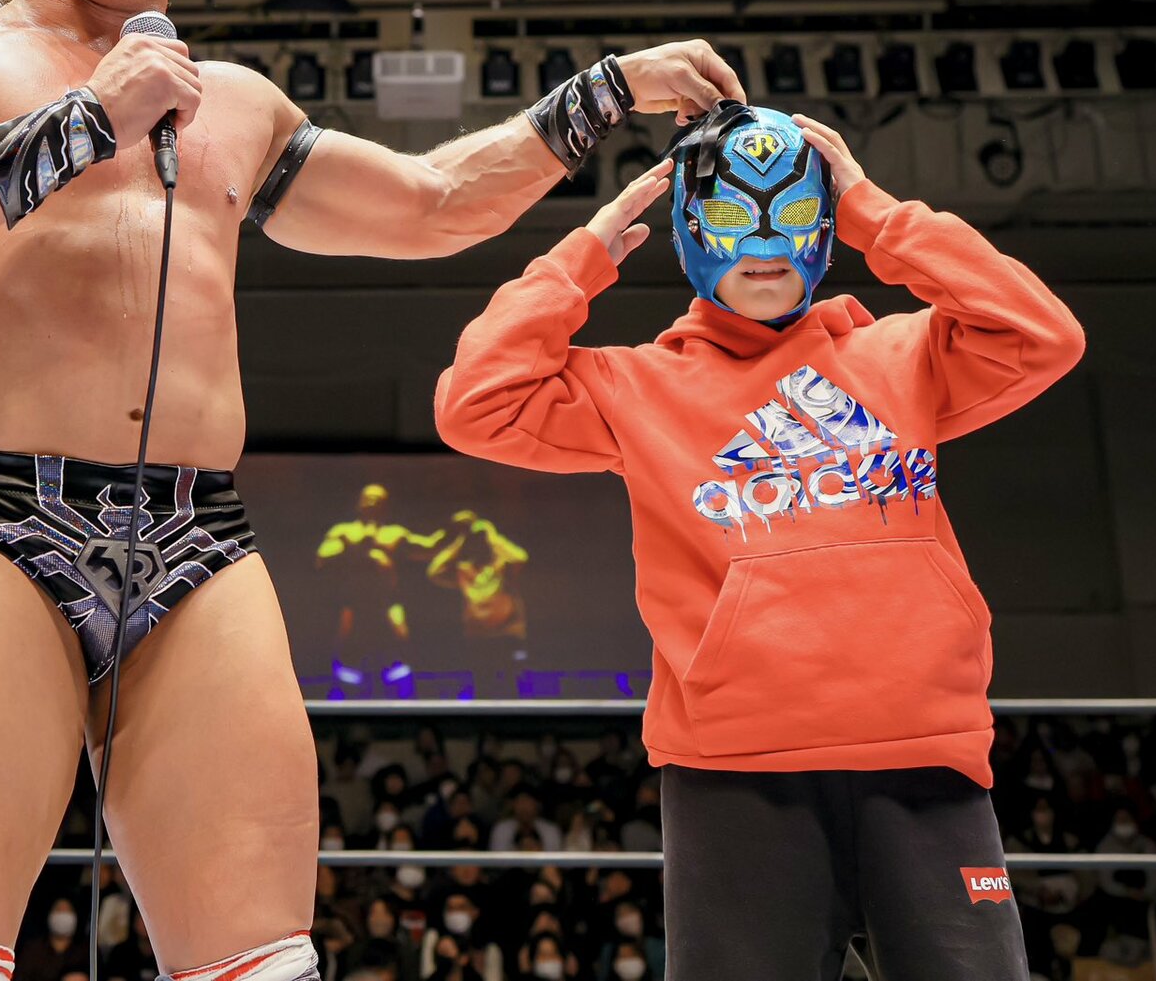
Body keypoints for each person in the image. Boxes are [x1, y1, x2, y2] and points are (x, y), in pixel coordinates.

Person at [0, 0, 744, 981]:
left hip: (200, 544)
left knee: (267, 968)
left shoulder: (229, 103)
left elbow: (433, 204)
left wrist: (603, 92)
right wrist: (81, 123)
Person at [433, 103, 1087, 979]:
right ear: (692, 227)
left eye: (796, 211)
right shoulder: (637, 385)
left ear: (825, 224)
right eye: (735, 214)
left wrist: (876, 214)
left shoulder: (907, 355)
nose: (766, 241)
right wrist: (582, 257)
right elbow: (474, 404)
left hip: (925, 757)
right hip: (735, 777)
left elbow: (1045, 334)